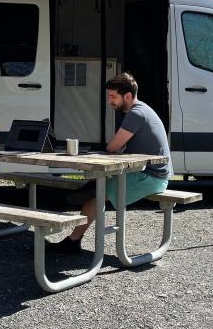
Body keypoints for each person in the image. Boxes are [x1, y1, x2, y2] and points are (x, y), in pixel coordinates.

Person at [48, 72, 171, 254]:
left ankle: (72, 242)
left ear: (127, 96)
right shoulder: (141, 110)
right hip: (148, 173)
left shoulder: (136, 114)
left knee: (93, 199)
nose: (110, 101)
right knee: (95, 188)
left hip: (151, 178)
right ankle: (81, 204)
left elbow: (113, 146)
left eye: (113, 97)